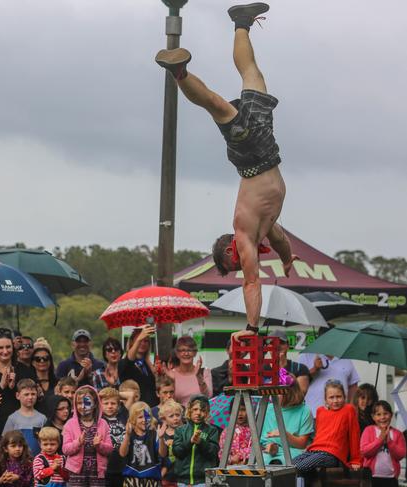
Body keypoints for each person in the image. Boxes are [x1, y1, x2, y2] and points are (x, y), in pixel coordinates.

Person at [155, 3, 298, 340]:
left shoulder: (244, 232)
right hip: (265, 148)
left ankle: (179, 73)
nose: (242, 266)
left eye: (235, 263)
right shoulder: (265, 229)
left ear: (231, 250)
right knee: (253, 76)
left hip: (253, 156)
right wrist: (287, 259)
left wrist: (251, 328)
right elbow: (280, 240)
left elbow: (252, 281)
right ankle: (242, 22)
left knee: (218, 105)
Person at [293, 380, 361, 477]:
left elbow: (354, 436)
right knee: (289, 466)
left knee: (299, 467)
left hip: (332, 454)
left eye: (338, 396)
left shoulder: (349, 410)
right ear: (326, 399)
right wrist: (309, 449)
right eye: (331, 397)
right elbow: (319, 435)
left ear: (344, 397)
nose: (335, 400)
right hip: (314, 450)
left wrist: (356, 460)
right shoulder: (320, 411)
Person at [0, 330, 36, 438]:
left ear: (13, 347)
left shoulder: (25, 370)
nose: (5, 351)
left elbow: (33, 397)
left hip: (22, 428)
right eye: (0, 348)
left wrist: (15, 386)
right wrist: (1, 386)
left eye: (8, 347)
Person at [62, 385, 113, 487]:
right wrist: (78, 443)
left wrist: (99, 445)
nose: (83, 406)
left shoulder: (103, 424)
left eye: (87, 402)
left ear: (95, 404)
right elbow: (65, 449)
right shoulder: (70, 424)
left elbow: (109, 449)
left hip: (97, 474)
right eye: (79, 403)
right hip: (76, 474)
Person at [260, 375, 313, 465]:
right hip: (270, 453)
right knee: (260, 463)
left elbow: (302, 444)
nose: (273, 395)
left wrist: (285, 435)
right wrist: (270, 447)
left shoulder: (304, 411)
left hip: (294, 451)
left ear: (290, 392)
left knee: (282, 464)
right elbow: (262, 441)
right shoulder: (268, 409)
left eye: (277, 392)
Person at [172, 396, 220, 487]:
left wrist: (201, 443)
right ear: (189, 410)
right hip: (183, 481)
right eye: (195, 409)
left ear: (207, 413)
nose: (198, 413)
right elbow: (177, 451)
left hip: (203, 481)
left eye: (202, 410)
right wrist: (190, 442)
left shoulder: (212, 430)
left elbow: (213, 452)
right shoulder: (180, 430)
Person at [298, 347, 360, 415]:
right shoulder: (305, 356)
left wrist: (352, 408)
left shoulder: (345, 358)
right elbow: (298, 384)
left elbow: (353, 385)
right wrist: (314, 369)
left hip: (341, 415)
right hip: (312, 415)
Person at [360, 400, 406, 487]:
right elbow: (364, 452)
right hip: (371, 478)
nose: (382, 417)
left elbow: (401, 455)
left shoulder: (397, 434)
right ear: (373, 417)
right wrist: (380, 440)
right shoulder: (368, 430)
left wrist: (389, 441)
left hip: (391, 478)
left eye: (385, 413)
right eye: (378, 414)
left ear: (391, 415)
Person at [119, 402, 166, 487]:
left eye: (147, 416)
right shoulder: (128, 434)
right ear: (133, 419)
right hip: (132, 479)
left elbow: (163, 454)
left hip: (152, 480)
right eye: (140, 417)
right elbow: (122, 453)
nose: (144, 420)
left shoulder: (155, 434)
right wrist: (127, 435)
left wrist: (161, 438)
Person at [2, 378, 47, 457]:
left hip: (37, 462)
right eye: (26, 394)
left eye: (33, 394)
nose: (30, 397)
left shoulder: (42, 418)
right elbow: (5, 441)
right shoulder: (12, 418)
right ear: (18, 395)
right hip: (17, 462)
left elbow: (46, 441)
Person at [166, 337, 211, 408]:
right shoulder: (171, 374)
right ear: (177, 354)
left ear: (195, 353)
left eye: (190, 350)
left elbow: (208, 396)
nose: (186, 353)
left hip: (199, 415)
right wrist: (172, 381)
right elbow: (168, 401)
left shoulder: (204, 372)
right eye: (182, 350)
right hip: (179, 417)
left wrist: (198, 376)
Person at [119, 326, 156, 407]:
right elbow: (129, 359)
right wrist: (139, 338)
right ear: (132, 342)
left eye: (146, 341)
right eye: (139, 340)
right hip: (134, 409)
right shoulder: (124, 363)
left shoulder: (147, 364)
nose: (142, 343)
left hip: (150, 408)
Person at [267, 330, 309, 394]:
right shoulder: (260, 369)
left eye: (281, 342)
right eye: (273, 343)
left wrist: (282, 368)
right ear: (268, 347)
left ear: (288, 346)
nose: (278, 346)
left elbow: (300, 395)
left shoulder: (300, 369)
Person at [98, 387, 125, 487]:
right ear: (100, 405)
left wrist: (115, 394)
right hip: (106, 468)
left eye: (113, 403)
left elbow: (130, 395)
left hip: (123, 466)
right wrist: (100, 395)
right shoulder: (99, 419)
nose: (109, 406)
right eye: (106, 403)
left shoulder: (123, 416)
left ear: (119, 405)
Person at [158, 400, 184, 487]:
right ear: (164, 419)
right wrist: (161, 439)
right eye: (171, 416)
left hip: (183, 476)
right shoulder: (163, 434)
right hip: (167, 477)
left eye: (177, 415)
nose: (175, 418)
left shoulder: (185, 432)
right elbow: (162, 454)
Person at [218, 401, 251, 465]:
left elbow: (256, 448)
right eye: (236, 410)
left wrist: (242, 456)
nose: (240, 413)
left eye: (243, 410)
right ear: (231, 413)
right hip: (231, 468)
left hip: (250, 465)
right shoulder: (227, 432)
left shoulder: (253, 430)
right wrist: (232, 459)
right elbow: (221, 453)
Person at [31, 338, 58, 411]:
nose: (42, 361)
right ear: (32, 362)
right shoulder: (29, 383)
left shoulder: (58, 383)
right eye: (38, 359)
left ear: (50, 361)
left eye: (45, 358)